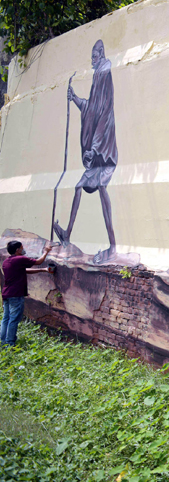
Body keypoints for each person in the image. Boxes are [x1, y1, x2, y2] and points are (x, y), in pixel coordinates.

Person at [53, 39, 118, 265]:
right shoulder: (96, 80)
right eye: (91, 57)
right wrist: (75, 99)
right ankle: (67, 233)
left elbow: (102, 116)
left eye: (95, 56)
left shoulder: (104, 76)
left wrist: (93, 148)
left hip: (105, 153)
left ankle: (113, 246)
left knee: (101, 188)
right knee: (80, 187)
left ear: (102, 55)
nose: (92, 61)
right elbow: (91, 108)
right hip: (96, 154)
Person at [1, 241, 54, 346]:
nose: (23, 249)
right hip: (16, 294)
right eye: (22, 247)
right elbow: (38, 261)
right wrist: (46, 252)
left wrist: (43, 270)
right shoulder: (20, 259)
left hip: (6, 293)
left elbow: (23, 270)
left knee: (6, 318)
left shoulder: (7, 261)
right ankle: (10, 343)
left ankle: (3, 341)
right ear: (17, 250)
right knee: (14, 319)